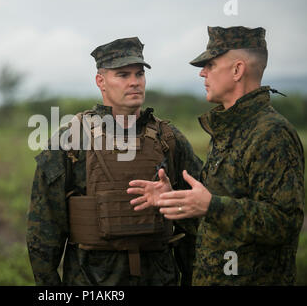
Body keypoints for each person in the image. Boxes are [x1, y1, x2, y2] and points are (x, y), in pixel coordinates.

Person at [128, 26, 305, 285]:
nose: (202, 72)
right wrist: (178, 202)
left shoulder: (271, 134)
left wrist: (211, 205)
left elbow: (285, 222)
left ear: (237, 70)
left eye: (210, 65)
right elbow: (215, 221)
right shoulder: (228, 130)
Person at [27, 37, 202, 285]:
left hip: (159, 277)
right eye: (122, 75)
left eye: (139, 74)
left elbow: (197, 224)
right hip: (90, 279)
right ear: (101, 81)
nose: (134, 82)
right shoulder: (71, 140)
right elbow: (43, 230)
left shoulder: (170, 140)